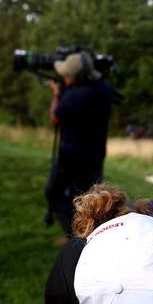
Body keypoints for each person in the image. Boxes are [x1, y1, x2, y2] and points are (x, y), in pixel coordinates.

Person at [44, 51, 114, 238]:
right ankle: (91, 236)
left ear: (76, 77)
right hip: (95, 154)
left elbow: (55, 118)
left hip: (72, 155)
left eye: (67, 74)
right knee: (89, 198)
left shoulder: (75, 97)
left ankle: (74, 238)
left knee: (55, 193)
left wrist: (57, 94)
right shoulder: (103, 88)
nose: (64, 77)